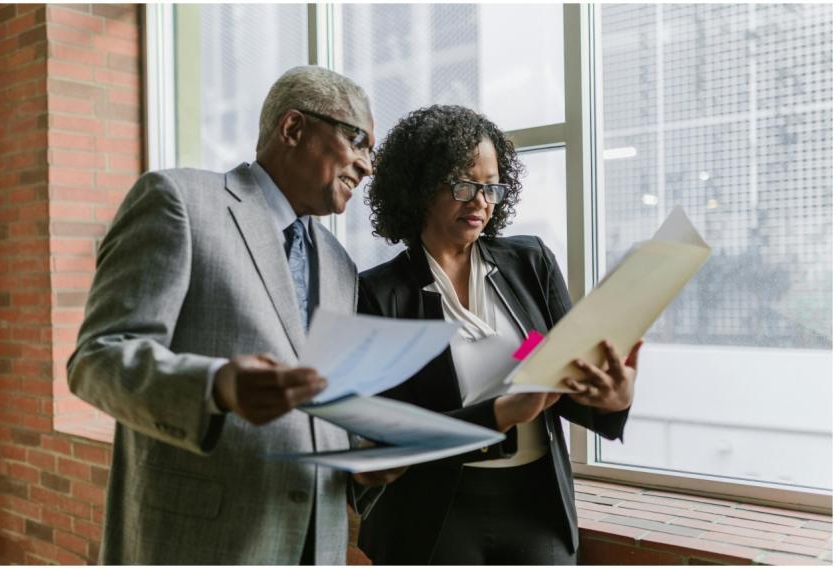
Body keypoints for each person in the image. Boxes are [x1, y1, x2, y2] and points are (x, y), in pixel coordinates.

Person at [67, 66, 400, 565]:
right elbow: (96, 361)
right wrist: (216, 386)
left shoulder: (339, 264)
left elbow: (318, 402)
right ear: (293, 129)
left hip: (316, 547)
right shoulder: (178, 201)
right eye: (359, 141)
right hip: (198, 545)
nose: (368, 166)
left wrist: (364, 455)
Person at [356, 104, 643, 565]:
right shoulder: (378, 294)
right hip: (433, 513)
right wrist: (500, 413)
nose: (480, 202)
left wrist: (611, 399)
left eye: (490, 187)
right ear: (420, 186)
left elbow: (561, 382)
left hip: (535, 504)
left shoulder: (529, 264)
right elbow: (394, 437)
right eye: (464, 184)